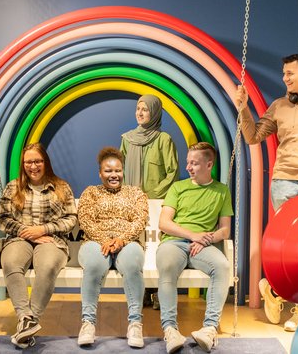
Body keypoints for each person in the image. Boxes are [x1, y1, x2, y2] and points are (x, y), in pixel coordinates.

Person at [235, 53, 298, 332]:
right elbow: (253, 136)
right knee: (291, 252)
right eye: (283, 74)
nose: (284, 78)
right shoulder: (279, 106)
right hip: (285, 183)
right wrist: (243, 108)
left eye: (289, 73)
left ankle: (291, 302)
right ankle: (283, 297)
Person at [0, 143, 77, 349]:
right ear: (23, 165)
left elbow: (71, 219)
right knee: (11, 262)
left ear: (46, 163)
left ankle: (29, 321)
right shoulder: (13, 187)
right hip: (19, 239)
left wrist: (43, 230)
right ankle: (26, 319)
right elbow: (3, 218)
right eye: (28, 162)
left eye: (38, 161)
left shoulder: (61, 187)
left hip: (52, 240)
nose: (33, 166)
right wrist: (27, 232)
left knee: (48, 266)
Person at [156, 142, 233, 353]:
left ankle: (209, 329)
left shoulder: (221, 191)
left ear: (209, 164)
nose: (188, 167)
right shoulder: (178, 188)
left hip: (203, 247)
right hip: (174, 242)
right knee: (168, 267)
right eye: (188, 162)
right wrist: (193, 236)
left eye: (194, 163)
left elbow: (224, 231)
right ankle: (170, 330)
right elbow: (164, 223)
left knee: (223, 267)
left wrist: (203, 240)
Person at [77, 146, 149, 349]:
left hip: (128, 243)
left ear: (123, 171)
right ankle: (88, 323)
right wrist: (104, 240)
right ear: (100, 173)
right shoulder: (90, 192)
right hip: (94, 242)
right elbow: (85, 220)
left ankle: (135, 323)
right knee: (93, 264)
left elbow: (139, 220)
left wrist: (121, 239)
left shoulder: (135, 193)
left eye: (117, 170)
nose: (114, 175)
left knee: (133, 265)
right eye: (108, 171)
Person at [120, 94, 179, 310]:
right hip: (131, 202)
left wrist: (153, 194)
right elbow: (120, 168)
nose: (140, 113)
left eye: (145, 109)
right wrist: (129, 194)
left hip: (157, 204)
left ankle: (156, 292)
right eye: (138, 108)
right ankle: (140, 292)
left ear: (154, 113)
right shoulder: (127, 139)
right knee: (135, 246)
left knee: (154, 246)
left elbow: (172, 173)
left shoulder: (164, 140)